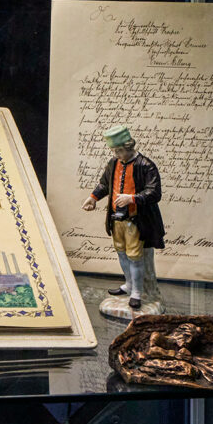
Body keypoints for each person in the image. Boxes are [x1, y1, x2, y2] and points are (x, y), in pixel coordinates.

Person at [81, 124, 165, 309]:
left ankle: (137, 292)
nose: (116, 154)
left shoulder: (146, 165)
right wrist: (93, 198)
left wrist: (132, 198)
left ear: (128, 147)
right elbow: (104, 184)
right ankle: (129, 284)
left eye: (118, 150)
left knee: (135, 256)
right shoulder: (113, 163)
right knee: (121, 253)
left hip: (136, 220)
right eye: (114, 150)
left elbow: (154, 192)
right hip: (116, 218)